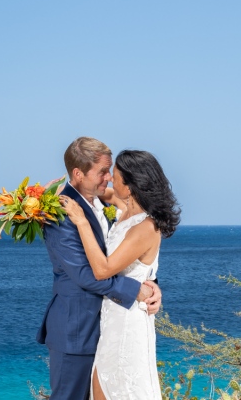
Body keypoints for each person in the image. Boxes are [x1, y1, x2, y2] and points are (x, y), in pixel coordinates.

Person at [37, 137, 162, 400]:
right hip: (77, 330)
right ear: (78, 173)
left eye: (110, 172)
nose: (108, 179)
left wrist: (152, 285)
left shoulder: (105, 203)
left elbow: (129, 257)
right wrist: (134, 290)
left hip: (110, 330)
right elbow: (84, 274)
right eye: (103, 172)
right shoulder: (60, 213)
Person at [60, 149, 180, 400]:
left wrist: (81, 222)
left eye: (114, 175)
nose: (109, 180)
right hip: (112, 318)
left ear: (132, 184)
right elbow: (87, 186)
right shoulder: (123, 204)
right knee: (103, 386)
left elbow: (103, 270)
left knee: (121, 388)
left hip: (127, 322)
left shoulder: (145, 228)